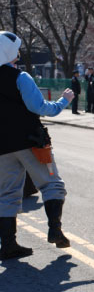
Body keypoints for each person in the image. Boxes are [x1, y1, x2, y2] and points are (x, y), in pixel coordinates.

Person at [0, 31, 73, 260]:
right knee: (52, 184)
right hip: (32, 142)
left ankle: (8, 245)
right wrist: (64, 100)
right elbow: (40, 108)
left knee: (7, 194)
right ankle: (55, 229)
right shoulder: (20, 77)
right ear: (11, 51)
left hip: (2, 147)